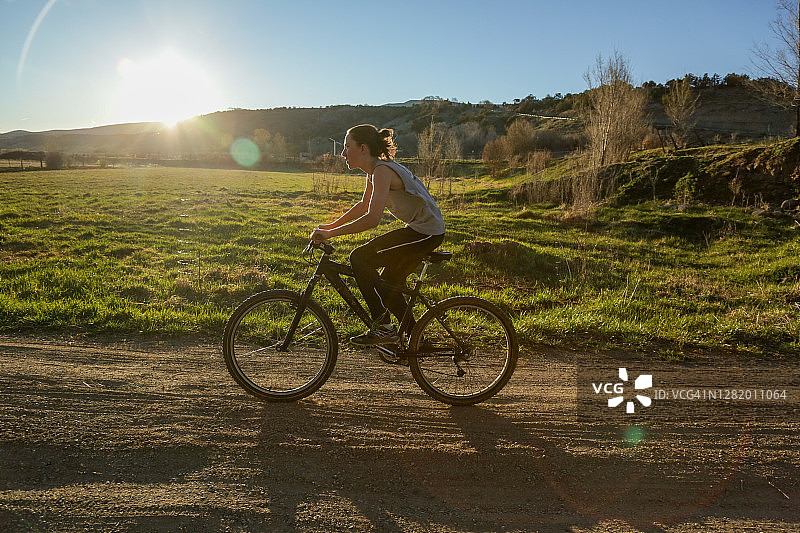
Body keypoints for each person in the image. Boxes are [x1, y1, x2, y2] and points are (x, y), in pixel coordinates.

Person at [310, 124, 446, 345]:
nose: (342, 153)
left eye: (346, 147)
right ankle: (414, 338)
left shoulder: (382, 171)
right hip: (418, 229)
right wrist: (329, 227)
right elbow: (364, 205)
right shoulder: (375, 171)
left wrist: (331, 234)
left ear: (363, 148)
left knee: (360, 258)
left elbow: (373, 219)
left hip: (427, 233)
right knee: (387, 280)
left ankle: (383, 326)